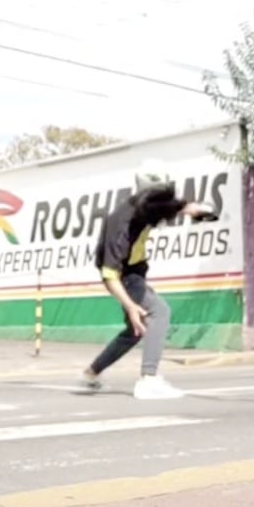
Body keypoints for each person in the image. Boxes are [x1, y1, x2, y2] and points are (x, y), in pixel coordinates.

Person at [79, 160, 217, 399]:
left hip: (136, 272)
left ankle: (91, 373)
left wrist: (197, 211)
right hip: (123, 276)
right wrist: (131, 306)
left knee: (135, 331)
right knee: (159, 312)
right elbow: (109, 275)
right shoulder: (120, 222)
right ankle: (148, 380)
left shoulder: (151, 206)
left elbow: (177, 206)